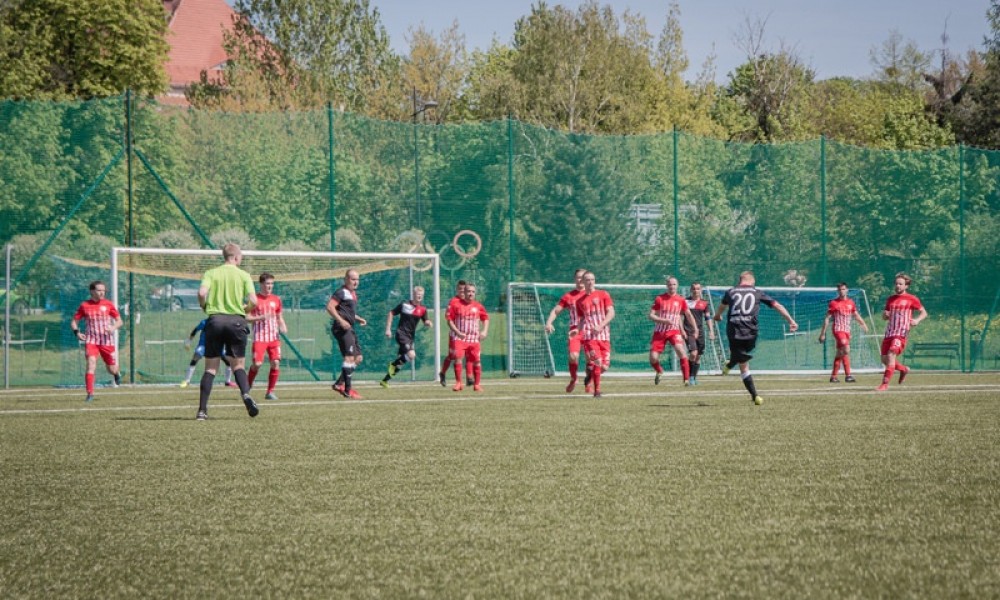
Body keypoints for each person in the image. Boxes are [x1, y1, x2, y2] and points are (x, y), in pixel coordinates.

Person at [712, 271, 798, 406]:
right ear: (752, 281)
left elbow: (722, 306)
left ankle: (730, 364)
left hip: (734, 330)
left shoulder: (730, 292)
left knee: (742, 361)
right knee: (743, 362)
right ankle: (755, 395)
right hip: (751, 332)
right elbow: (777, 306)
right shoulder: (757, 292)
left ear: (740, 280)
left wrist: (717, 316)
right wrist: (791, 320)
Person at [196, 243, 259, 420]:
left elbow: (202, 293)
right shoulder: (244, 275)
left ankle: (202, 411)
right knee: (238, 365)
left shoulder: (211, 273)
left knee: (210, 368)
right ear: (237, 257)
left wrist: (205, 306)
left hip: (215, 320)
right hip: (236, 322)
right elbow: (254, 301)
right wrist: (243, 309)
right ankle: (246, 394)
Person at [70, 280, 123, 402]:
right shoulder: (84, 305)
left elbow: (120, 321)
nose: (102, 293)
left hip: (106, 341)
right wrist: (77, 332)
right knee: (91, 364)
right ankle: (90, 394)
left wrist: (113, 327)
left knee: (111, 369)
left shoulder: (108, 304)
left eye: (103, 290)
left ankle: (116, 373)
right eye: (99, 290)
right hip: (91, 340)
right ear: (92, 291)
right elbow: (74, 321)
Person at [877, 273, 928, 392]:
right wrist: (885, 315)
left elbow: (924, 313)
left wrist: (917, 320)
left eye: (900, 284)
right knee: (884, 360)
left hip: (901, 333)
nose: (898, 286)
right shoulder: (891, 299)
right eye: (896, 284)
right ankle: (904, 369)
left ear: (906, 286)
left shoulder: (912, 299)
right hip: (889, 332)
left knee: (891, 356)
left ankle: (884, 384)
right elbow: (885, 317)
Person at [648, 276, 699, 386]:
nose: (672, 286)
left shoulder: (681, 300)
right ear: (667, 286)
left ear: (677, 286)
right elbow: (651, 315)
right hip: (660, 332)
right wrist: (663, 320)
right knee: (653, 358)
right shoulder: (659, 299)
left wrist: (695, 328)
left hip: (674, 331)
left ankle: (686, 380)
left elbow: (688, 315)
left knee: (681, 351)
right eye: (670, 284)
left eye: (674, 284)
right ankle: (659, 371)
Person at [544, 268, 587, 393]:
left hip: (590, 330)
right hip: (574, 331)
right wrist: (549, 322)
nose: (581, 280)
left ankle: (589, 381)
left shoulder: (592, 294)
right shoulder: (569, 296)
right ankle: (574, 378)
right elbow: (556, 310)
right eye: (578, 277)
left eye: (583, 277)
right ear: (575, 279)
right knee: (573, 356)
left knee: (591, 359)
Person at [381, 285, 433, 388]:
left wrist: (428, 322)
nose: (419, 297)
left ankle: (385, 380)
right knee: (411, 355)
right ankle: (393, 364)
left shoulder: (422, 309)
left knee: (402, 361)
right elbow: (391, 313)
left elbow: (425, 320)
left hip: (410, 337)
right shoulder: (404, 305)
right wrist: (388, 329)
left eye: (421, 295)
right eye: (418, 295)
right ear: (413, 295)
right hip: (401, 334)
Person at [246, 272, 287, 400]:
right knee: (257, 364)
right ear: (261, 284)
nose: (269, 286)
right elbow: (247, 317)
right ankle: (247, 386)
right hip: (260, 338)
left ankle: (270, 392)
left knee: (275, 363)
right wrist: (260, 317)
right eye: (267, 284)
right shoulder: (254, 300)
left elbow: (279, 316)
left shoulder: (276, 299)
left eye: (271, 284)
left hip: (274, 338)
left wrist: (283, 325)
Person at [327, 269, 368, 399]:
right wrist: (341, 320)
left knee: (358, 358)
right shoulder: (341, 292)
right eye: (352, 279)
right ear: (346, 279)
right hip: (341, 327)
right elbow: (330, 307)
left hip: (349, 327)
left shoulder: (353, 294)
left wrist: (357, 318)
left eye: (357, 279)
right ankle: (347, 390)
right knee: (349, 358)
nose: (355, 282)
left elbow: (347, 311)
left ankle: (339, 383)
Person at [818, 282, 869, 383]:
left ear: (847, 290)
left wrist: (863, 324)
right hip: (838, 330)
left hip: (847, 330)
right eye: (840, 289)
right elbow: (827, 318)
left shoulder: (851, 302)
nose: (842, 291)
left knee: (841, 353)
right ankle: (847, 375)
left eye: (843, 289)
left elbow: (855, 314)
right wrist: (822, 333)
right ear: (838, 291)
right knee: (846, 349)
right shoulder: (834, 303)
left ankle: (836, 376)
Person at [575, 271, 615, 398]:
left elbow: (611, 313)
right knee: (597, 361)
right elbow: (581, 320)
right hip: (589, 336)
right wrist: (577, 331)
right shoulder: (580, 301)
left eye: (592, 279)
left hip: (604, 336)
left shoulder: (603, 294)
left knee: (604, 366)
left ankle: (589, 377)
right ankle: (597, 391)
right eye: (587, 280)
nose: (590, 282)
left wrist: (601, 325)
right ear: (583, 282)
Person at [446, 281, 489, 392]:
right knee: (458, 359)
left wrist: (484, 331)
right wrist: (457, 332)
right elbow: (449, 320)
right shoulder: (456, 304)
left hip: (474, 339)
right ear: (464, 292)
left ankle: (477, 385)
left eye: (473, 292)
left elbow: (486, 318)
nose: (470, 293)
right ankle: (459, 383)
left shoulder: (478, 306)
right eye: (468, 291)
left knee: (477, 361)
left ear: (475, 293)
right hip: (460, 338)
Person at [439, 280, 474, 387]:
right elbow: (448, 317)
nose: (462, 291)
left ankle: (469, 378)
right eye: (460, 289)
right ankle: (443, 373)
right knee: (453, 356)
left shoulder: (470, 301)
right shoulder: (453, 302)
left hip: (468, 334)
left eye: (464, 289)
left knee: (469, 355)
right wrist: (456, 331)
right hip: (455, 334)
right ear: (457, 290)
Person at [180, 318, 234, 388]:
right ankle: (187, 381)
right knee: (195, 358)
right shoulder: (205, 322)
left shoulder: (222, 322)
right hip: (203, 345)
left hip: (217, 346)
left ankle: (228, 381)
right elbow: (195, 330)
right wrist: (189, 340)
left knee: (228, 361)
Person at [684, 282, 715, 385]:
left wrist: (711, 331)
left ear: (700, 290)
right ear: (690, 290)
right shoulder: (685, 302)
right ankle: (689, 377)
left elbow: (707, 318)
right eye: (693, 289)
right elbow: (680, 316)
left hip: (700, 332)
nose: (695, 291)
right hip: (689, 331)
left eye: (697, 289)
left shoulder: (704, 303)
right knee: (693, 353)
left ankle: (693, 377)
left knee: (698, 356)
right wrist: (681, 330)